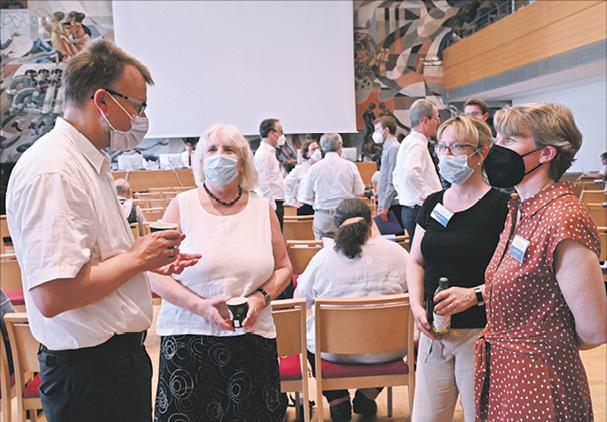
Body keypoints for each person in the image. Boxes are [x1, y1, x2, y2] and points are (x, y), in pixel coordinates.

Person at [5, 39, 199, 422]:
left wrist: (145, 261)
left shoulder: (86, 162)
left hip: (112, 365)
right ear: (103, 101)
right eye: (138, 106)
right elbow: (53, 294)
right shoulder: (55, 171)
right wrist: (135, 258)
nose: (142, 117)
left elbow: (95, 261)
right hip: (89, 374)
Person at [150, 123, 291, 422]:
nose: (220, 156)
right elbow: (156, 273)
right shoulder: (182, 205)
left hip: (251, 337)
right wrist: (201, 307)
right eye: (212, 150)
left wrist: (260, 298)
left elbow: (283, 267)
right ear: (200, 161)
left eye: (229, 149)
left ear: (242, 161)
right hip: (189, 339)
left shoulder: (262, 208)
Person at [475, 103, 607, 421]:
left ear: (546, 154)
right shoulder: (519, 206)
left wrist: (539, 342)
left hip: (540, 379)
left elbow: (594, 329)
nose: (497, 149)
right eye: (499, 138)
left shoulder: (563, 216)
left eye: (510, 140)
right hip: (509, 371)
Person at [407, 116, 509, 422]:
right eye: (442, 147)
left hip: (480, 332)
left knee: (480, 416)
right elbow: (415, 260)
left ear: (481, 153)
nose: (447, 155)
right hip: (434, 331)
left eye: (457, 147)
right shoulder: (434, 203)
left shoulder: (501, 206)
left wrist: (474, 294)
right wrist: (415, 306)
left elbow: (513, 275)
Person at [294, 198, 408, 421]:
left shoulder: (324, 258)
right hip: (389, 350)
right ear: (370, 223)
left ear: (337, 226)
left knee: (308, 335)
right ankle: (368, 394)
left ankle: (337, 400)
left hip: (334, 351)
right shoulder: (396, 253)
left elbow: (302, 301)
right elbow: (415, 294)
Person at [393, 99, 442, 240]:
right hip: (420, 209)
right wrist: (427, 195)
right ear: (425, 121)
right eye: (436, 117)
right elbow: (410, 173)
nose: (438, 122)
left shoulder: (409, 141)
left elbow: (396, 176)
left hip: (411, 209)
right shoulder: (417, 143)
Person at [302, 133, 365, 239]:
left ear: (322, 148)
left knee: (323, 252)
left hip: (323, 216)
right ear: (340, 146)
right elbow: (360, 192)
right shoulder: (350, 166)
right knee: (348, 251)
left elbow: (307, 197)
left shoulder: (314, 168)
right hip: (347, 215)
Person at [255, 118, 286, 229]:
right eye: (281, 132)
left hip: (276, 202)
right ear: (272, 133)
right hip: (272, 205)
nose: (283, 135)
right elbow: (262, 184)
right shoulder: (264, 154)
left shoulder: (270, 152)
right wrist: (272, 208)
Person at [373, 115, 403, 227]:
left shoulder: (394, 148)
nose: (375, 133)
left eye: (377, 130)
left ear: (386, 130)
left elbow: (392, 179)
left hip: (392, 203)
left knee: (395, 238)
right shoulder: (387, 148)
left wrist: (385, 206)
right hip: (386, 202)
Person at [284, 138, 321, 215]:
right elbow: (286, 183)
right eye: (313, 149)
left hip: (320, 206)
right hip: (306, 206)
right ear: (307, 154)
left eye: (318, 148)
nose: (317, 151)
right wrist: (291, 201)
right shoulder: (300, 168)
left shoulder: (322, 167)